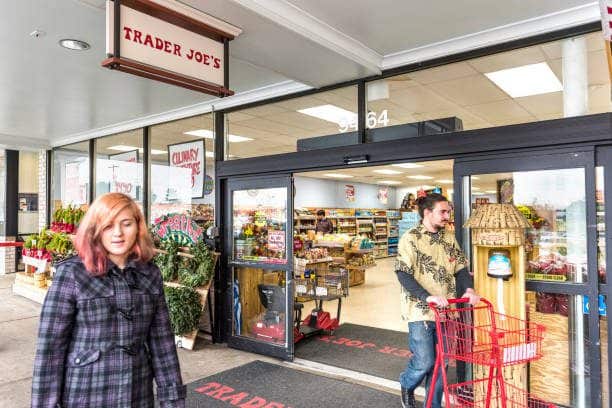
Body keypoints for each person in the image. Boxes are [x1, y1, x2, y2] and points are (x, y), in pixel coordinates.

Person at [31, 193, 186, 408]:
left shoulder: (150, 274)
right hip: (85, 395)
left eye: (126, 224)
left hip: (137, 395)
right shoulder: (72, 274)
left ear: (138, 227)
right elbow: (50, 350)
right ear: (95, 229)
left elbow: (163, 344)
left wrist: (173, 401)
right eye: (108, 226)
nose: (118, 233)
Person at [395, 193, 479, 408]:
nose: (447, 216)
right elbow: (403, 274)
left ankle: (433, 405)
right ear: (427, 213)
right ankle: (407, 383)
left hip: (448, 310)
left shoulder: (448, 238)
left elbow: (460, 268)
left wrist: (469, 289)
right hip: (420, 310)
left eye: (448, 212)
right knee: (425, 361)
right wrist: (428, 296)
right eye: (443, 212)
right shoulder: (410, 238)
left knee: (442, 364)